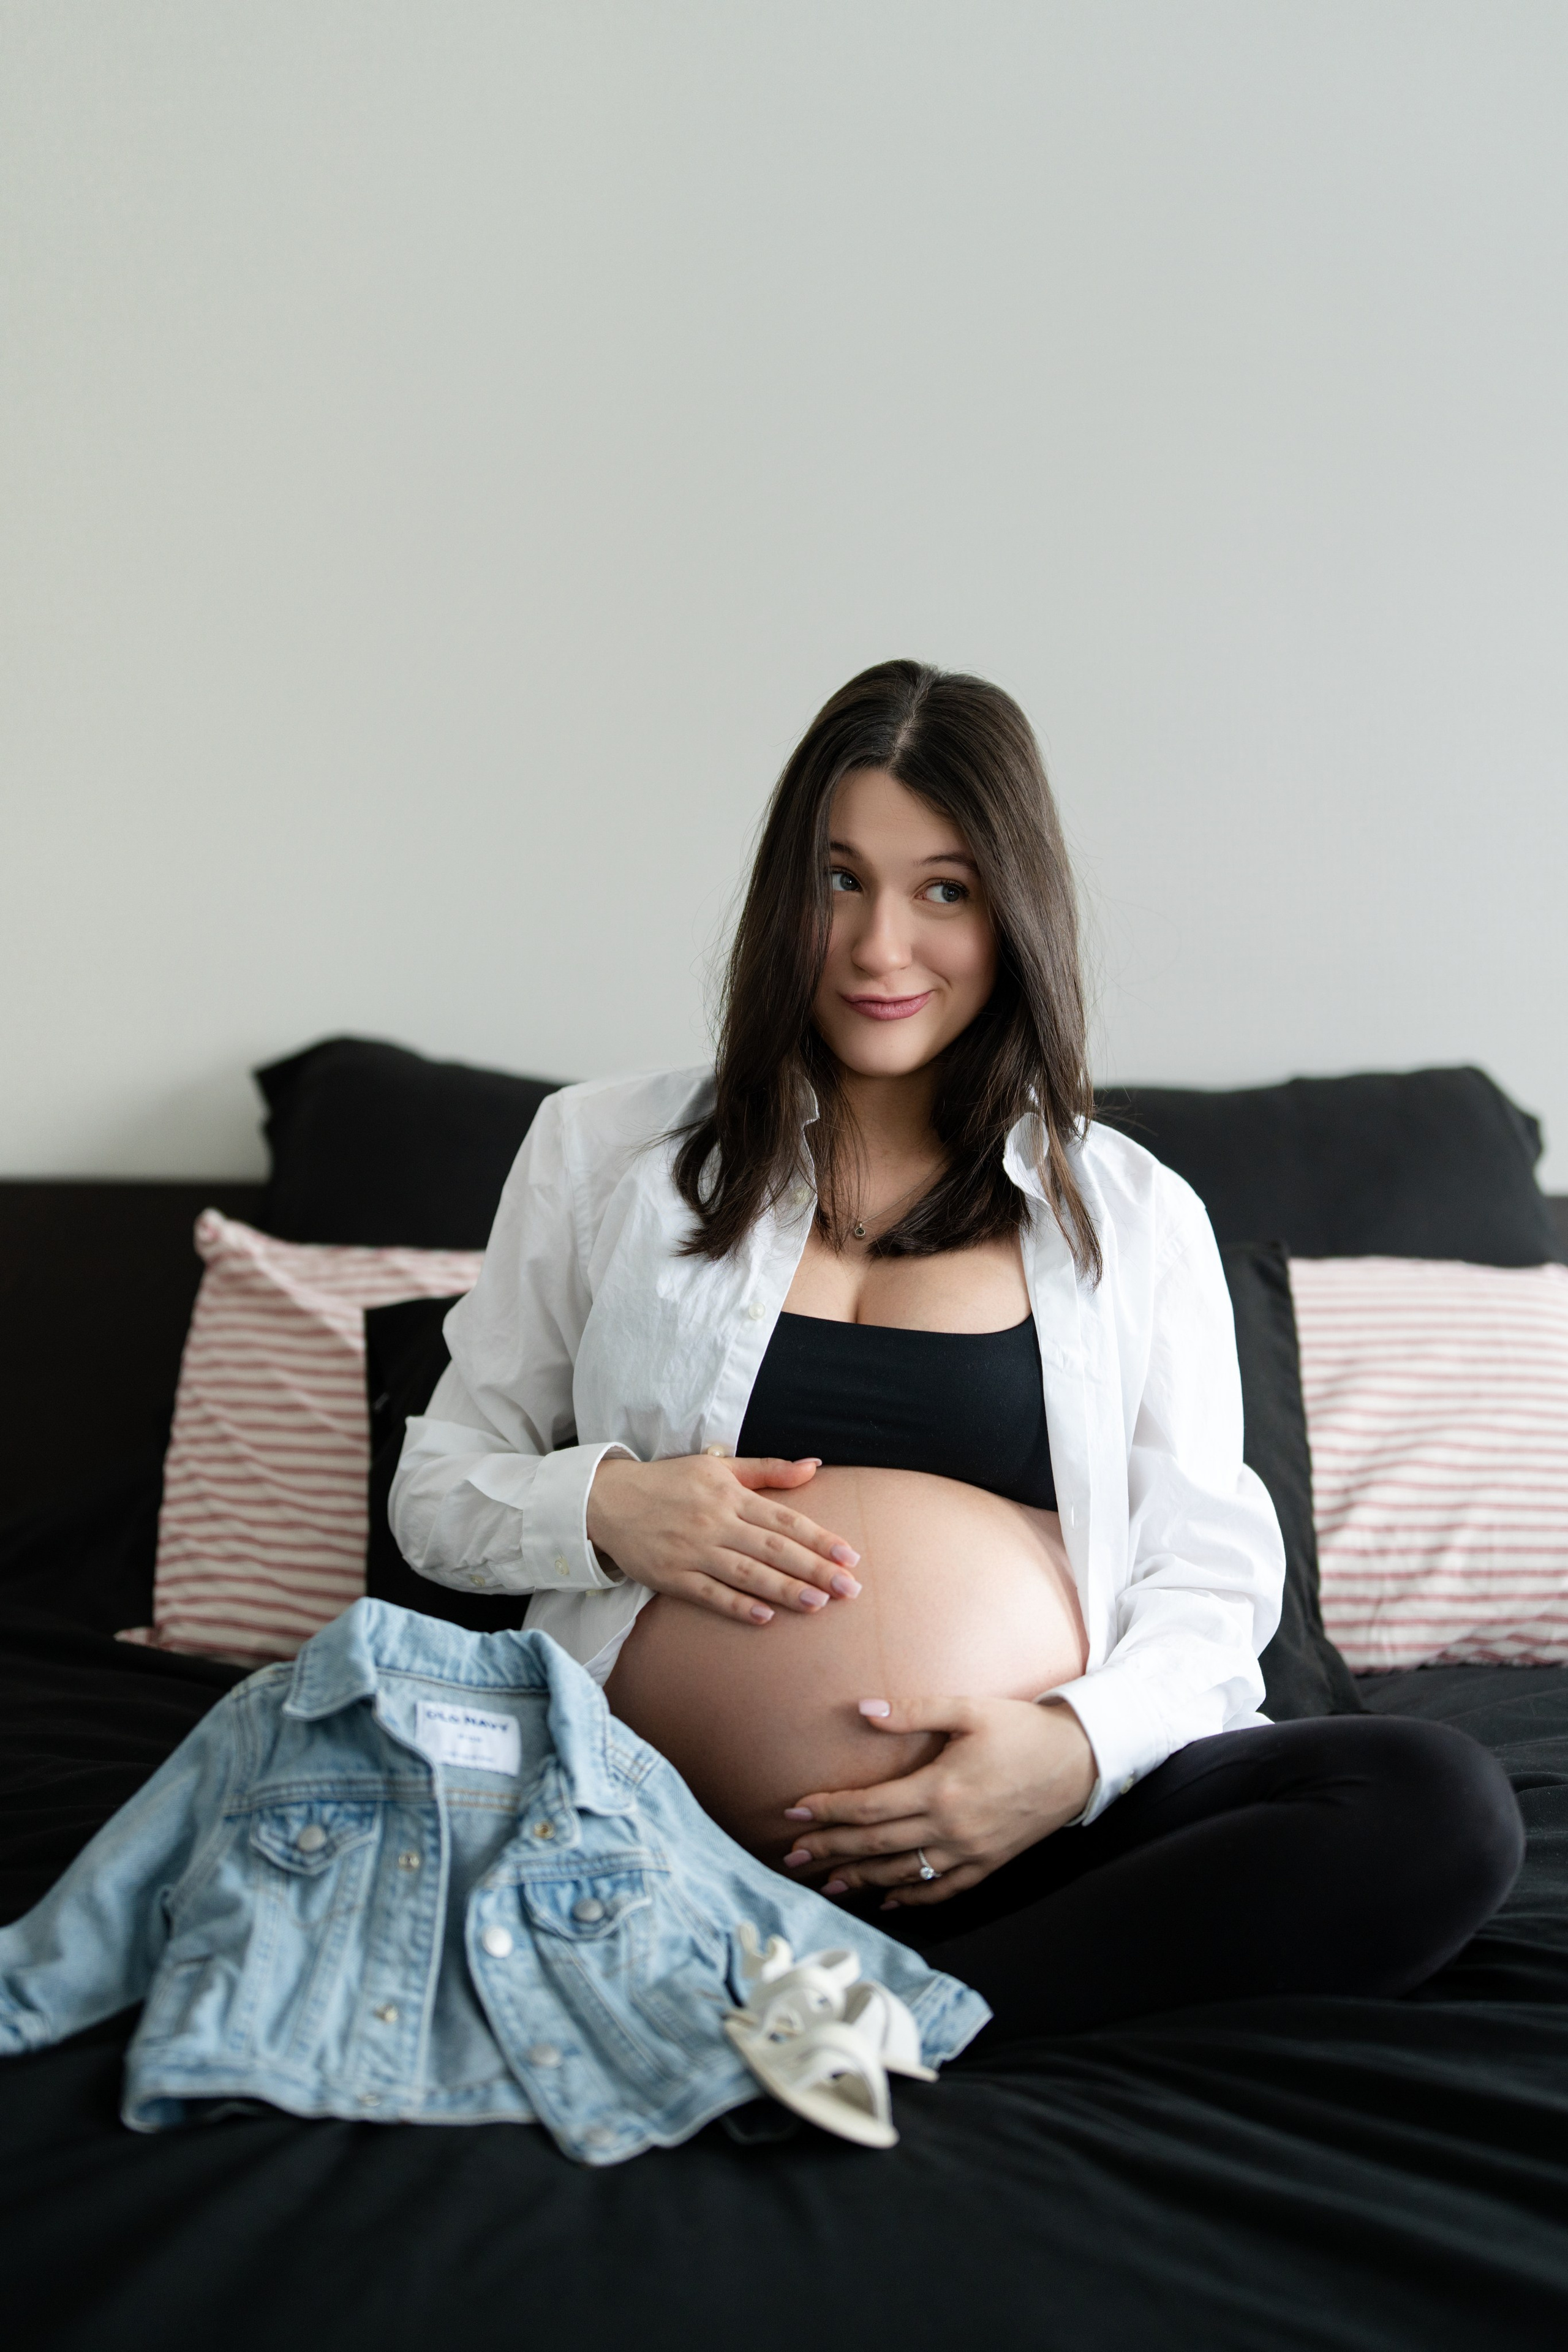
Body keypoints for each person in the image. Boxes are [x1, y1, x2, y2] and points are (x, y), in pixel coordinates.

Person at [391, 658, 1523, 2038]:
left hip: (1035, 1842)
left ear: (1011, 911)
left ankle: (876, 2021)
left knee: (1435, 1807)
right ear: (779, 898)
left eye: (942, 889)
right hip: (651, 1816)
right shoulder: (601, 1152)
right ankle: (846, 2010)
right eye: (837, 880)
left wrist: (1067, 1752)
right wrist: (607, 1505)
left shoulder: (1132, 1213)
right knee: (336, 1771)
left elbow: (1208, 1576)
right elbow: (438, 1491)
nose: (880, 949)